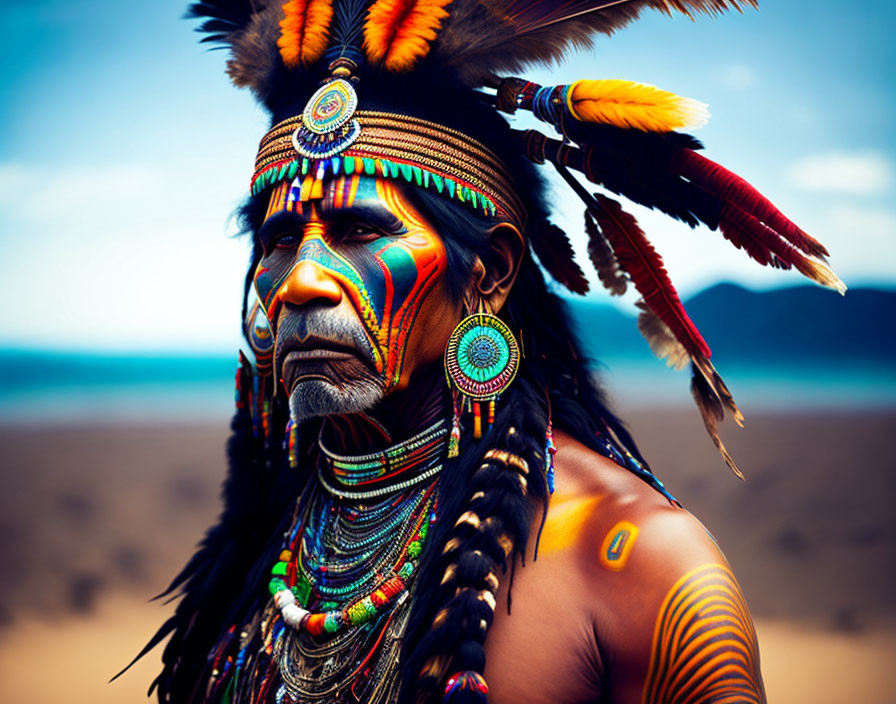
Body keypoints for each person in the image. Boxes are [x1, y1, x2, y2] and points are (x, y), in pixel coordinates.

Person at [140, 1, 843, 702]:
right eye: (280, 239)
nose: (300, 280)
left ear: (490, 272)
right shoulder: (273, 534)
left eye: (359, 231)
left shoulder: (639, 561)